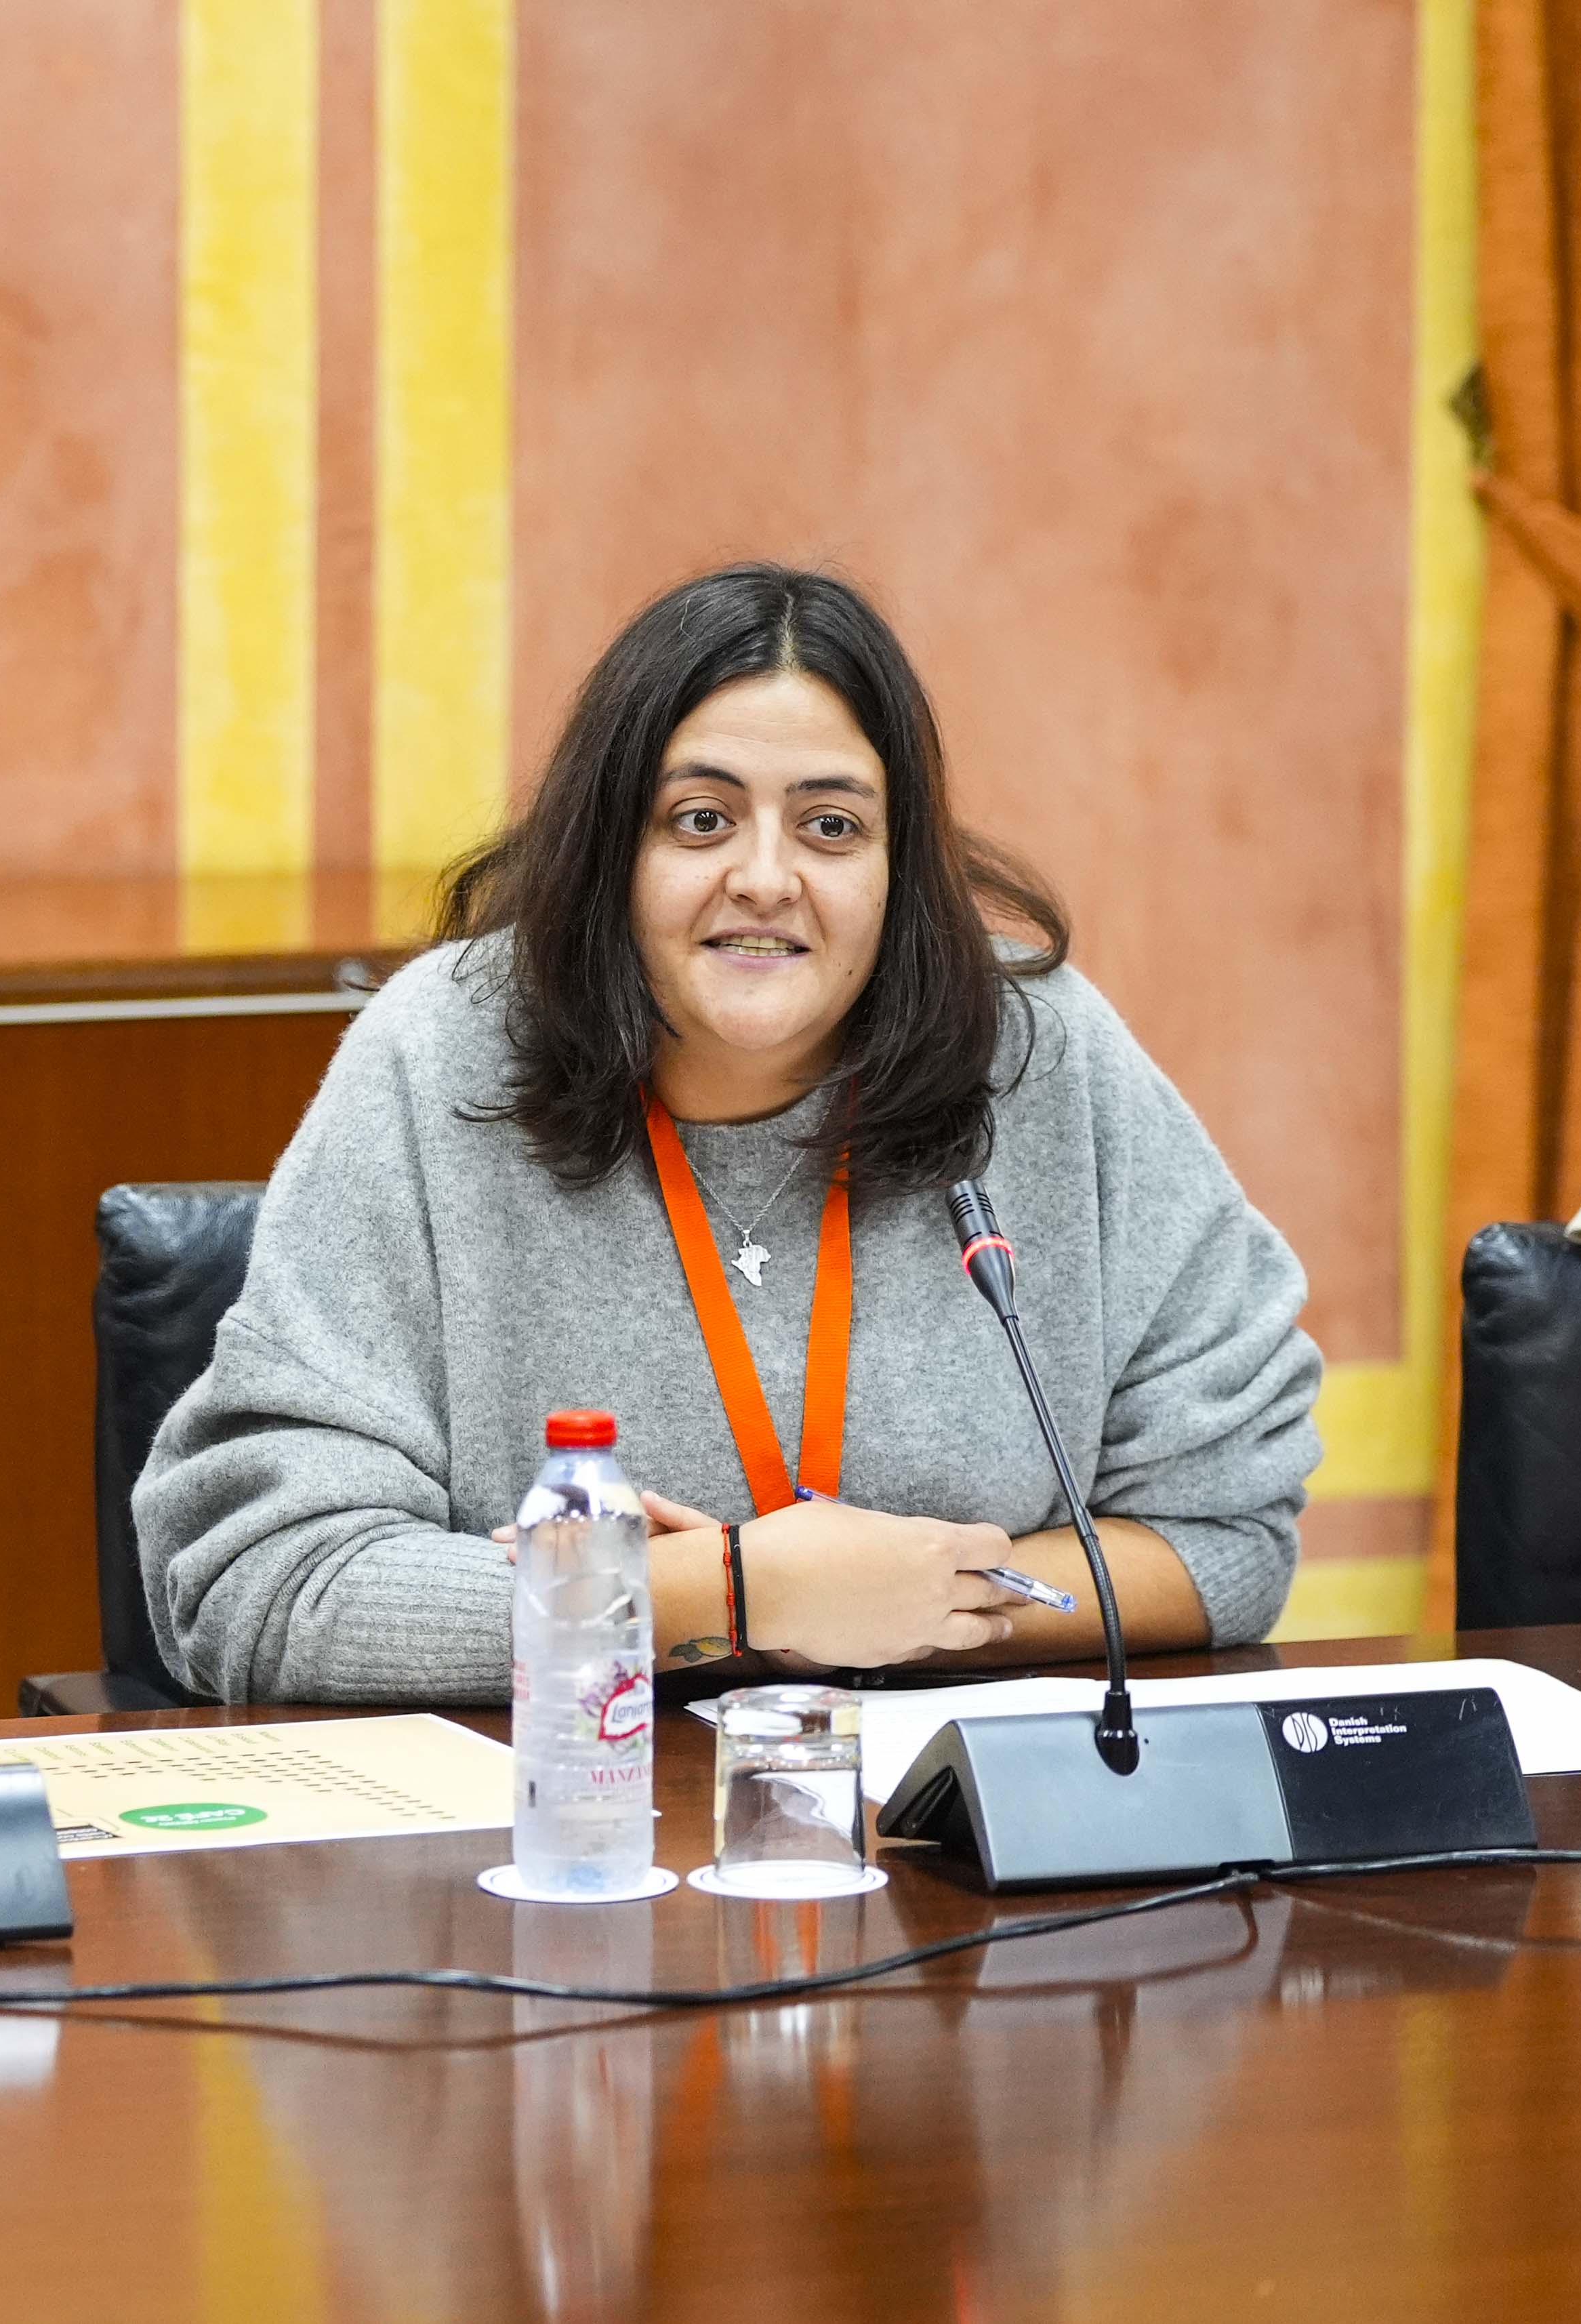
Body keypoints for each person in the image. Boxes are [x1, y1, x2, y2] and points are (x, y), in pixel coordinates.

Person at [136, 563, 1320, 1702]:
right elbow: (256, 1584)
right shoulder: (440, 1059)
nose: (766, 877)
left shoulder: (1035, 1051)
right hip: (554, 1840)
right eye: (701, 819)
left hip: (946, 1846)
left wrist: (901, 1607)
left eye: (833, 827)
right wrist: (728, 1597)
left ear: (901, 867)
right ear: (612, 851)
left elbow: (1222, 1537)